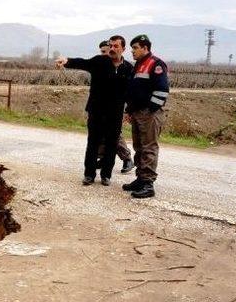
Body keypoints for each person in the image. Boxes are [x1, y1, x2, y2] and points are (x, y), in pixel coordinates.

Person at [55, 36, 133, 186]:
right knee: (93, 143)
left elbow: (130, 92)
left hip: (115, 114)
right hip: (96, 111)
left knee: (111, 144)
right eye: (111, 45)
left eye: (116, 46)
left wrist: (129, 110)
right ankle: (89, 174)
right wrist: (67, 61)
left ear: (123, 49)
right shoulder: (100, 61)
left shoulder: (128, 68)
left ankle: (106, 175)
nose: (112, 48)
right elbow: (83, 63)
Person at [122, 34, 170, 198]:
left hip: (149, 114)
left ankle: (148, 184)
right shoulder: (139, 65)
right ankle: (140, 179)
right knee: (139, 147)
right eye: (132, 48)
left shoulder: (155, 64)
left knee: (149, 147)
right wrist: (130, 110)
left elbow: (162, 90)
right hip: (137, 113)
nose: (132, 51)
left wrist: (150, 110)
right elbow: (134, 91)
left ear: (145, 48)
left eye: (135, 48)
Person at [96, 41, 134, 174]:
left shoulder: (125, 67)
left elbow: (130, 91)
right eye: (102, 52)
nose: (104, 54)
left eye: (106, 51)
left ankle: (127, 158)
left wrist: (128, 110)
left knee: (115, 134)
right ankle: (102, 158)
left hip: (116, 106)